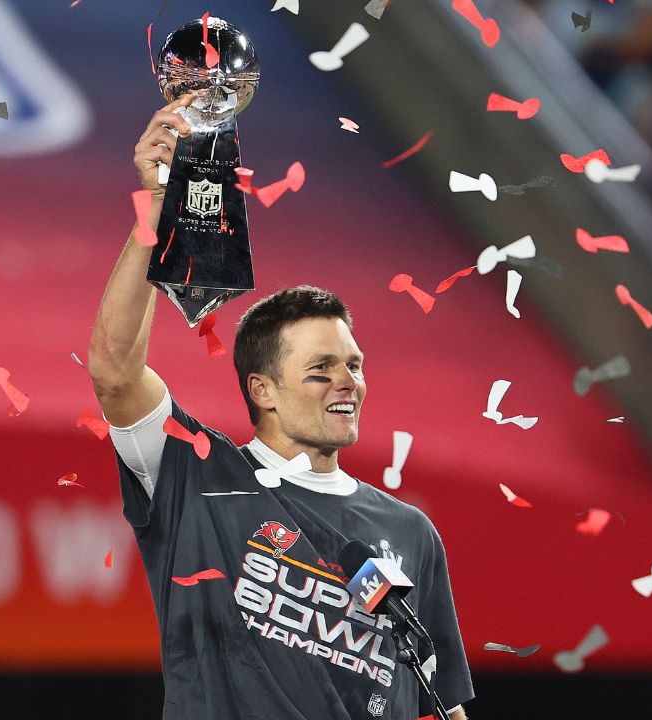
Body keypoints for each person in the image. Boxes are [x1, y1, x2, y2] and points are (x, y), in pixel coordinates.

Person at [85, 96, 473, 720]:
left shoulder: (409, 533)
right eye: (319, 370)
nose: (346, 382)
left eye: (354, 365)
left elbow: (440, 704)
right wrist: (158, 209)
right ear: (262, 388)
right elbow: (113, 371)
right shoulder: (197, 478)